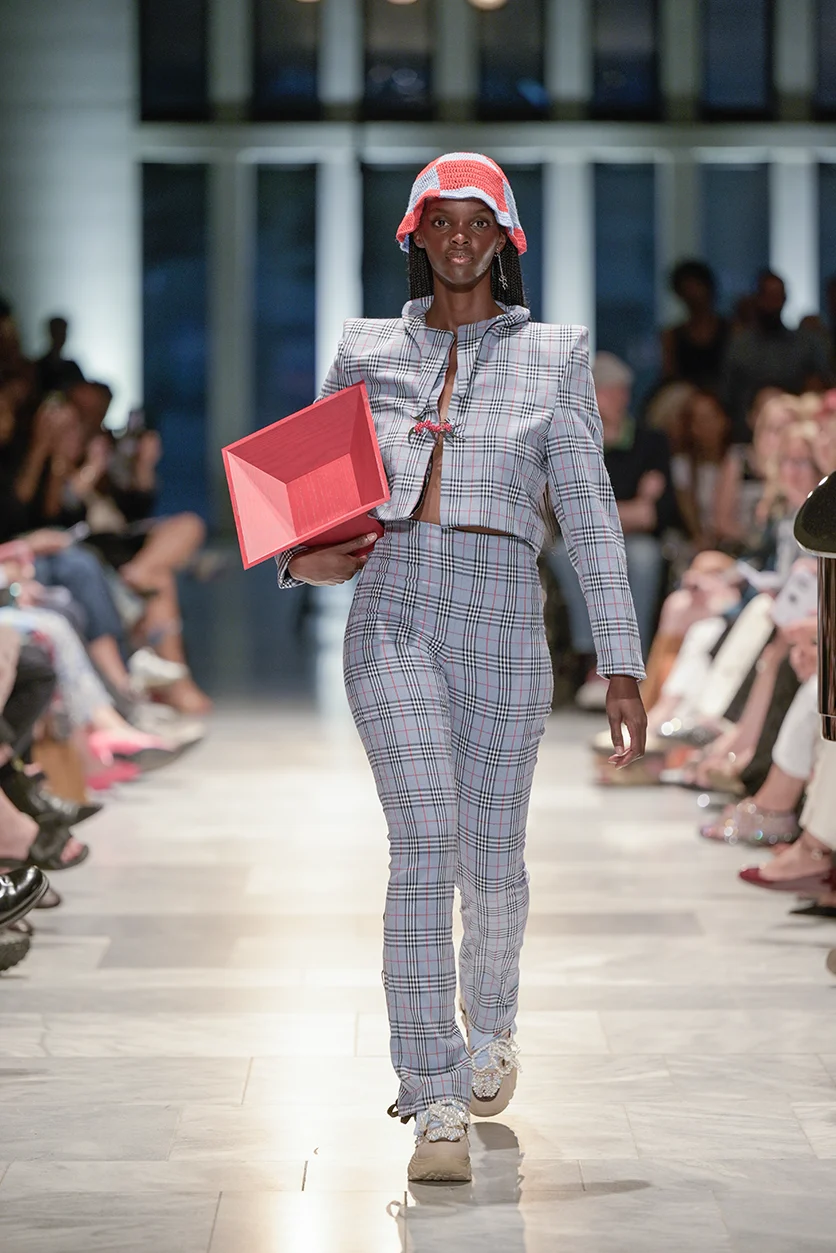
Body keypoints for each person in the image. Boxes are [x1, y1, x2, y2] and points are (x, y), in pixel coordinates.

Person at [273, 153, 646, 1183]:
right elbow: (310, 496)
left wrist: (620, 661)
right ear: (412, 233)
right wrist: (298, 561)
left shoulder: (556, 354)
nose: (457, 239)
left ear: (506, 238)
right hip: (392, 607)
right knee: (424, 840)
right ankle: (432, 1091)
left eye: (477, 221)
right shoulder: (362, 348)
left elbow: (589, 516)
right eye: (438, 220)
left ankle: (494, 1022)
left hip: (505, 613)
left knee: (493, 856)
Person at [546, 352, 677, 705]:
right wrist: (634, 507)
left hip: (637, 540)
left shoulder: (651, 441)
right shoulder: (573, 441)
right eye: (609, 391)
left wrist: (607, 513)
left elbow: (659, 513)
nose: (619, 398)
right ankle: (596, 660)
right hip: (581, 539)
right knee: (569, 557)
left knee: (644, 559)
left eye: (623, 390)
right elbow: (566, 506)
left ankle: (633, 662)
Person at [722, 270, 831, 441]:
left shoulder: (804, 344)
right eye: (767, 296)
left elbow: (819, 387)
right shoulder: (740, 346)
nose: (772, 303)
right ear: (757, 298)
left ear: (785, 299)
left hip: (798, 431)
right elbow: (727, 395)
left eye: (777, 296)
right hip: (746, 433)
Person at [661, 260, 730, 394]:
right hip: (686, 399)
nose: (693, 295)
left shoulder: (732, 330)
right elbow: (669, 376)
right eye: (686, 289)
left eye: (696, 287)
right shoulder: (672, 336)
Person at [34, 316, 85, 396]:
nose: (61, 336)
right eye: (58, 332)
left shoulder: (72, 368)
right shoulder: (38, 368)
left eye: (62, 332)